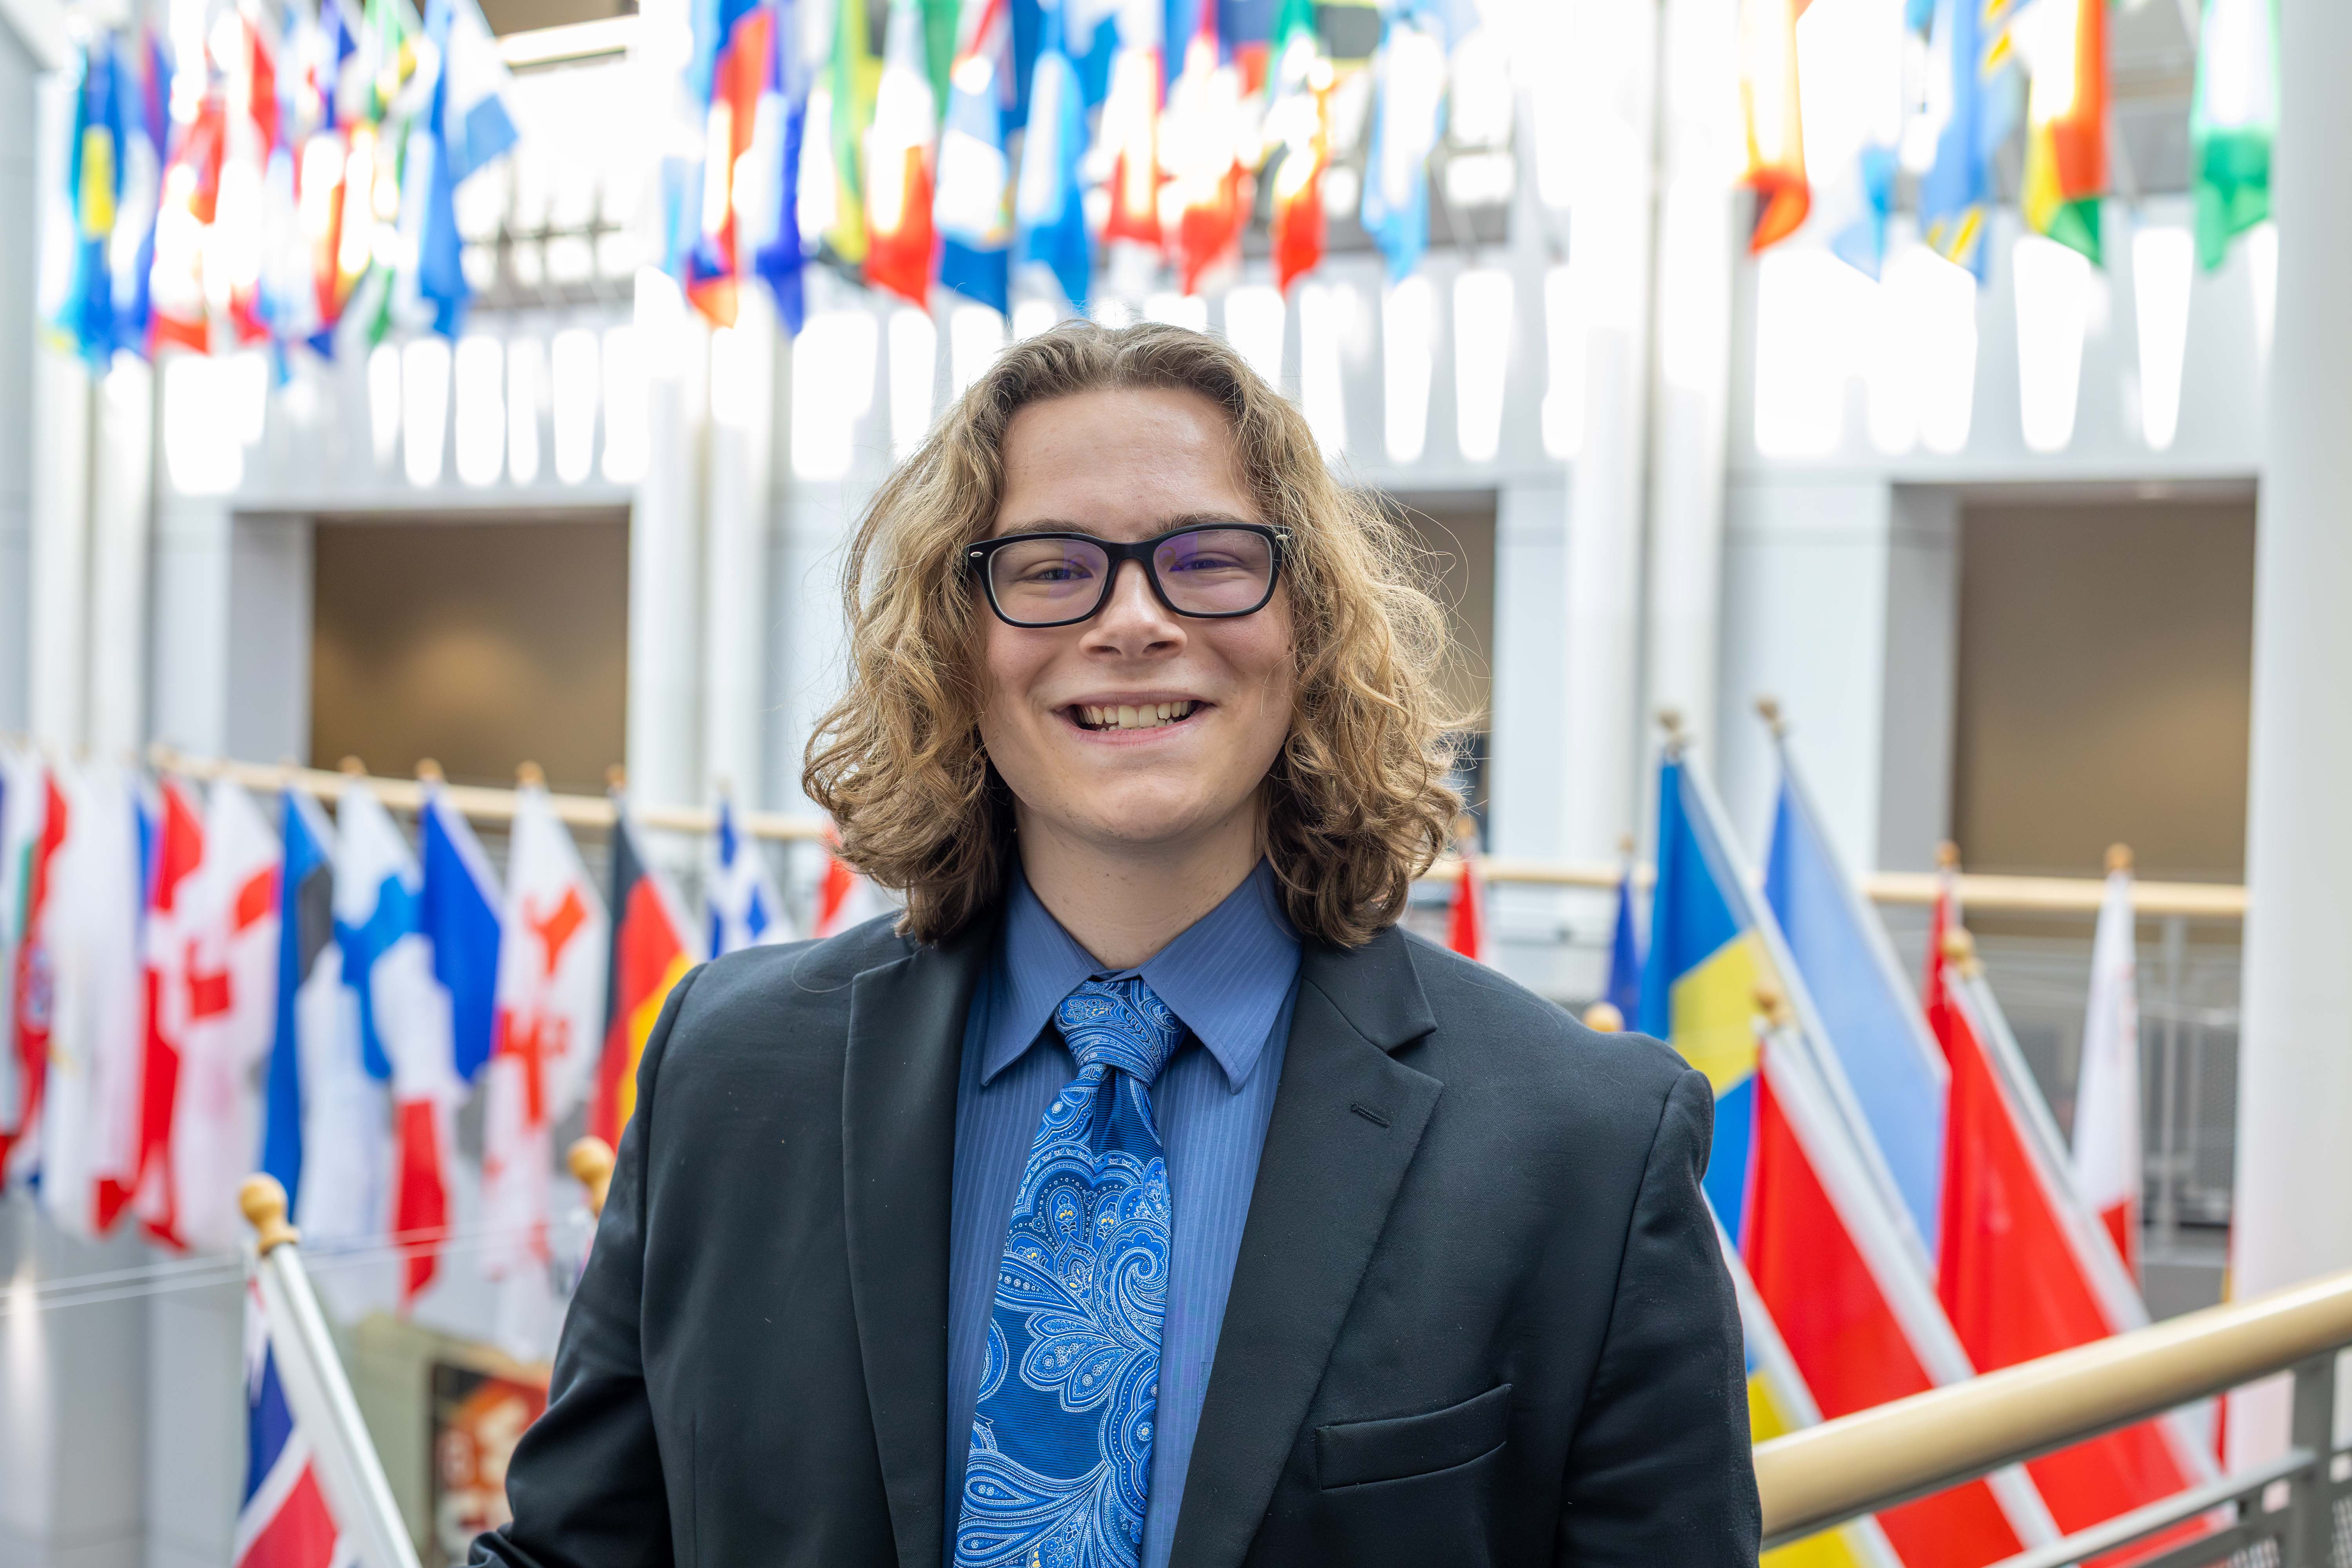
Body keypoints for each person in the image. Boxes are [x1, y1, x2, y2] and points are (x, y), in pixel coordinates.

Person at [473, 322, 1758, 1568]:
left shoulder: (1588, 1149)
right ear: (955, 644)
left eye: (1209, 559)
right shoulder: (725, 1070)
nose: (1134, 620)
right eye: (1050, 569)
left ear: (1308, 627)